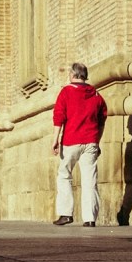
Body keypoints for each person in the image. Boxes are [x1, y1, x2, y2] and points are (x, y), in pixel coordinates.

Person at [52, 62, 107, 227]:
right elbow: (102, 120)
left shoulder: (66, 92)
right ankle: (90, 219)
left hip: (71, 141)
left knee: (64, 174)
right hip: (90, 141)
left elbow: (59, 117)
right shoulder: (96, 95)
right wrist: (97, 141)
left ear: (73, 74)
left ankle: (66, 214)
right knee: (90, 179)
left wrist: (55, 139)